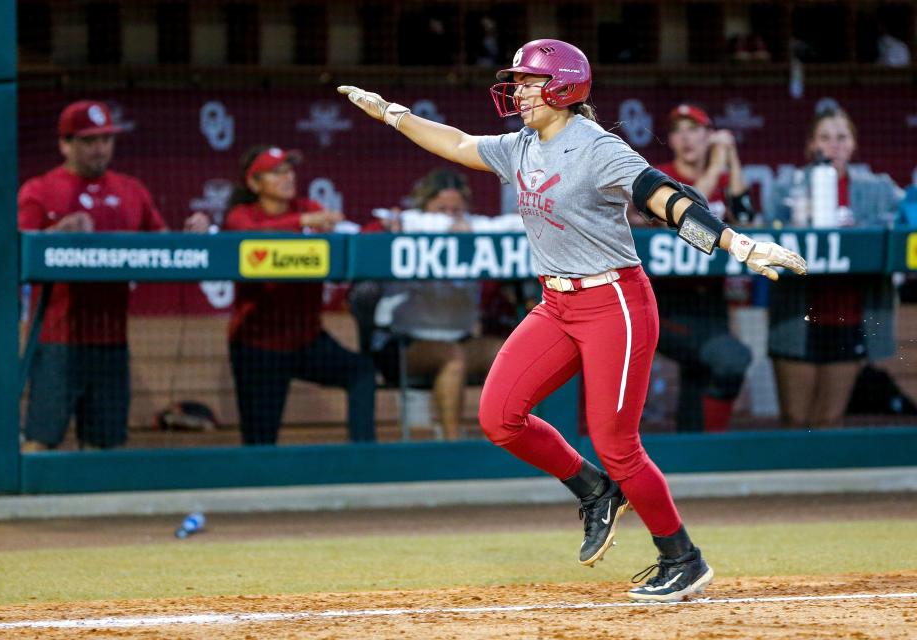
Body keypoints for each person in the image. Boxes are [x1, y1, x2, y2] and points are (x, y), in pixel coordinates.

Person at [338, 39, 806, 602]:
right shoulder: (523, 144)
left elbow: (663, 196)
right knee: (499, 415)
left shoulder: (597, 148)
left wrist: (735, 243)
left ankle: (682, 558)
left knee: (617, 442)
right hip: (557, 303)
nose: (519, 91)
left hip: (616, 303)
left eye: (531, 82)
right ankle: (593, 491)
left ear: (563, 87)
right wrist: (394, 114)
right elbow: (459, 143)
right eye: (518, 81)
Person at [18, 100, 210, 451]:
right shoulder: (39, 189)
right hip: (57, 341)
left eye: (106, 139)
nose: (100, 148)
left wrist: (190, 235)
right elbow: (12, 255)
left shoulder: (130, 190)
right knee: (40, 442)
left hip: (111, 341)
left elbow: (162, 248)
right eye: (89, 141)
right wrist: (56, 232)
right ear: (65, 144)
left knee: (107, 445)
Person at [223, 144, 377, 445]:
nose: (288, 177)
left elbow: (348, 236)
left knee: (361, 372)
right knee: (260, 441)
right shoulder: (242, 215)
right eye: (276, 172)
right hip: (258, 346)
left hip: (306, 340)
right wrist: (303, 224)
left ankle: (363, 460)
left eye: (289, 170)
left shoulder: (309, 208)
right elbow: (252, 235)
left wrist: (382, 227)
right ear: (255, 184)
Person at [767, 108, 902, 428]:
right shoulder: (788, 187)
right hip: (796, 318)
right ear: (811, 145)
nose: (834, 145)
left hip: (849, 317)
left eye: (842, 137)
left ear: (853, 144)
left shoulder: (877, 187)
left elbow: (905, 215)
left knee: (829, 420)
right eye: (825, 137)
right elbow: (766, 230)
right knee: (795, 420)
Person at [364, 169, 510, 440]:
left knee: (508, 354)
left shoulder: (474, 228)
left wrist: (466, 232)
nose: (449, 215)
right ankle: (452, 445)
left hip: (462, 338)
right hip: (405, 344)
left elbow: (512, 227)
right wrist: (396, 232)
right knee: (451, 357)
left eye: (456, 209)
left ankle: (516, 440)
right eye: (441, 208)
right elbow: (370, 227)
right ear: (424, 205)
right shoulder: (409, 223)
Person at [634, 104, 754, 432]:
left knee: (699, 379)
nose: (686, 138)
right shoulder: (658, 176)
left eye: (694, 129)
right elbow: (684, 219)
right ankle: (709, 449)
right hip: (667, 306)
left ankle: (698, 454)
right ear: (670, 139)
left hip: (712, 303)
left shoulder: (725, 177)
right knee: (729, 358)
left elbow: (747, 221)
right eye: (678, 130)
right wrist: (717, 165)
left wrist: (732, 160)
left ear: (708, 136)